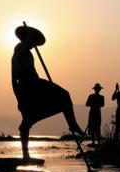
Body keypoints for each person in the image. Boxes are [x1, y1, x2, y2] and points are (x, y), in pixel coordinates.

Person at [11, 24, 84, 159]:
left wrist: (18, 97)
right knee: (64, 95)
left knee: (28, 120)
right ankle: (72, 125)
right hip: (31, 85)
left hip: (28, 86)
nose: (34, 44)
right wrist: (19, 98)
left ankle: (26, 151)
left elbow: (13, 80)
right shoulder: (20, 48)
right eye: (32, 40)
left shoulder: (23, 51)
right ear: (27, 38)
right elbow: (14, 78)